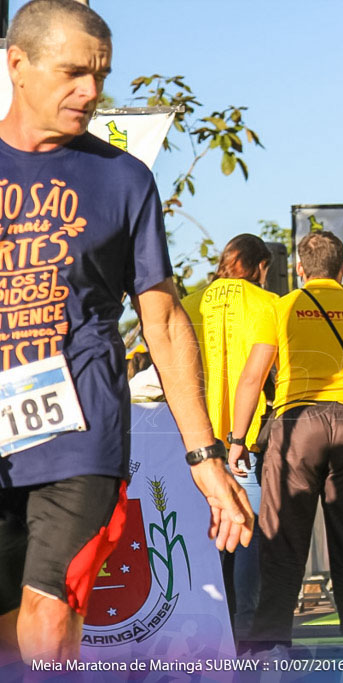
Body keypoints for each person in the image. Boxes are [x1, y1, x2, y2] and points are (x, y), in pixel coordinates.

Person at [0, 0, 253, 663]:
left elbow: (164, 322)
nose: (91, 92)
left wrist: (205, 458)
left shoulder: (123, 178)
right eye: (73, 73)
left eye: (101, 75)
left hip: (80, 429)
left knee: (49, 618)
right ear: (17, 64)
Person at [228, 231, 343, 654]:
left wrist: (238, 440)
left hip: (296, 427)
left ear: (300, 270)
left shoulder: (281, 307)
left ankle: (270, 639)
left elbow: (253, 377)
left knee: (282, 535)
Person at [182, 234, 277, 643]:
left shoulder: (188, 305)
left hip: (195, 446)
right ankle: (246, 630)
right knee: (245, 534)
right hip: (247, 441)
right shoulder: (269, 305)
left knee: (207, 535)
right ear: (259, 266)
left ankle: (211, 628)